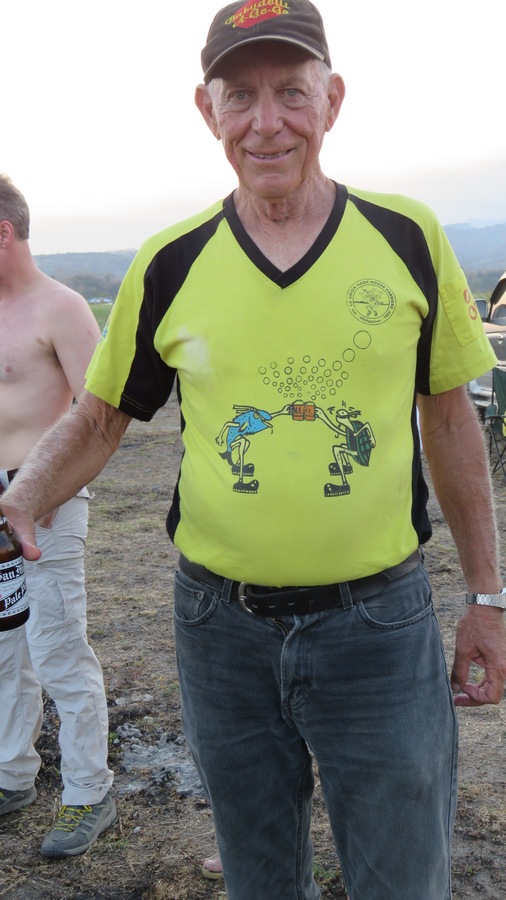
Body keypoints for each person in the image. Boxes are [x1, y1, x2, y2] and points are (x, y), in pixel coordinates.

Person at [1, 2, 506, 895]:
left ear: (333, 100)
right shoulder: (171, 261)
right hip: (219, 631)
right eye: (239, 96)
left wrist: (488, 597)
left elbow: (451, 420)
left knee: (403, 876)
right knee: (259, 875)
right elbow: (100, 417)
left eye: (291, 93)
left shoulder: (407, 238)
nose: (266, 122)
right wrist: (23, 492)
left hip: (379, 630)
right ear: (208, 110)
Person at [0, 174, 116, 858]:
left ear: (3, 233)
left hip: (48, 500)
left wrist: (44, 492)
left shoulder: (63, 309)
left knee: (56, 645)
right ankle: (13, 775)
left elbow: (97, 420)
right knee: (5, 647)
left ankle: (88, 791)